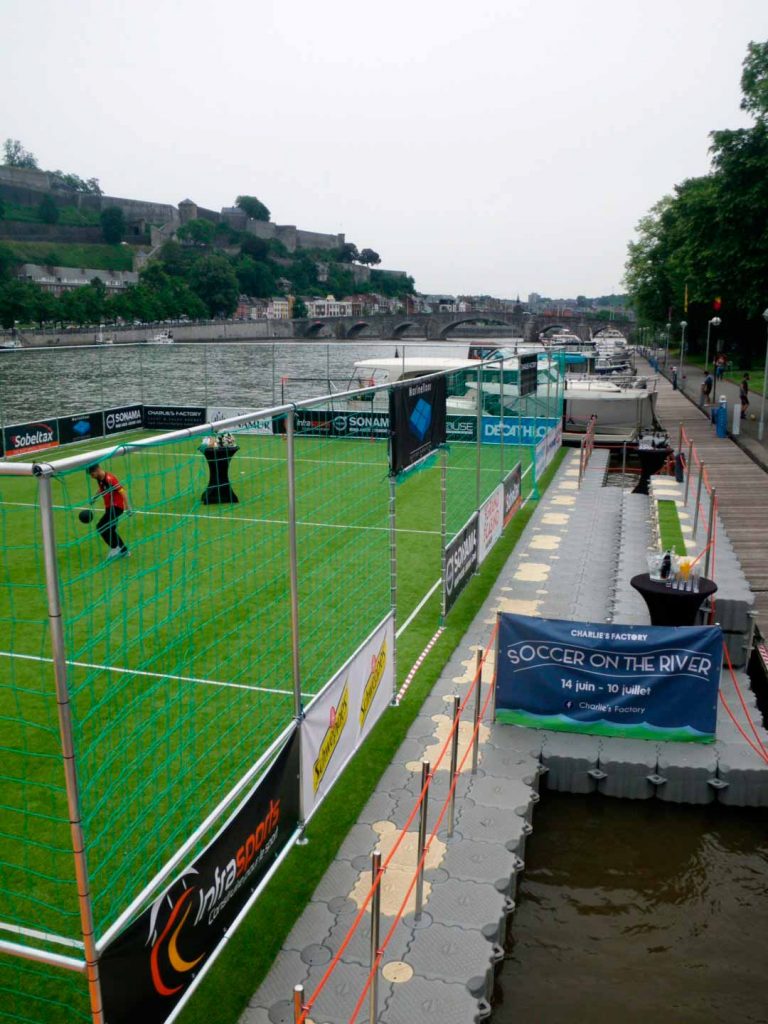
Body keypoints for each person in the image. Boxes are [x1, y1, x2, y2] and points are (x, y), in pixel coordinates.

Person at [87, 463, 131, 559]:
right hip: (109, 507)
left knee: (101, 526)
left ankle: (115, 548)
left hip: (116, 507)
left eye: (92, 474)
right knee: (111, 529)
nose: (91, 477)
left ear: (97, 469)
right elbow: (102, 488)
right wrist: (95, 497)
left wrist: (128, 508)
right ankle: (124, 551)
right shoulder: (100, 478)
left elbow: (123, 491)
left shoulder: (110, 479)